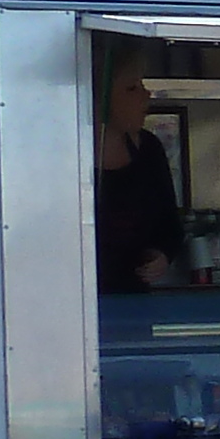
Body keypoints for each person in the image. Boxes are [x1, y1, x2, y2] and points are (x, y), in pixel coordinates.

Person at [93, 69, 185, 293]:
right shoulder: (62, 156)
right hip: (71, 305)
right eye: (132, 88)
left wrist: (161, 254)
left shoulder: (148, 148)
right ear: (97, 96)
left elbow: (169, 224)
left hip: (134, 304)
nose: (147, 95)